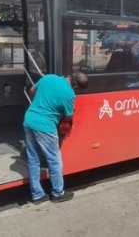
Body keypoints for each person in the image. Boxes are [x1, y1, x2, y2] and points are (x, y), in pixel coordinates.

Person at [23, 72, 88, 204]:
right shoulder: (69, 94)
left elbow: (32, 90)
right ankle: (58, 193)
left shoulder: (49, 77)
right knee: (54, 160)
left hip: (29, 120)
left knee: (33, 159)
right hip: (45, 126)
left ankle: (37, 195)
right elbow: (68, 116)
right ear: (75, 86)